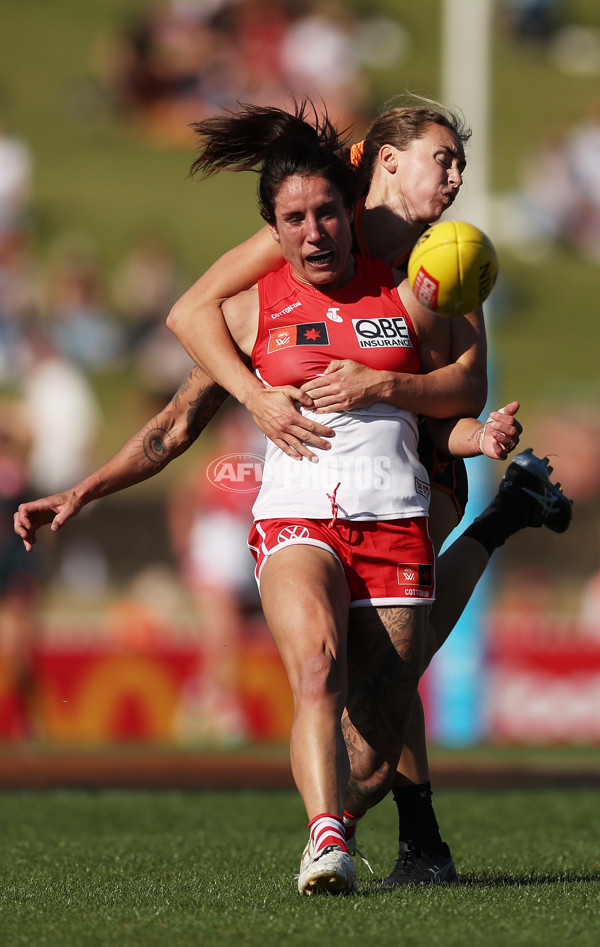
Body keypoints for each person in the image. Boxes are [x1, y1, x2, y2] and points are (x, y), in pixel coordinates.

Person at [14, 102, 525, 896]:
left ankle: (378, 814)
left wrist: (410, 397)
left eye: (460, 163)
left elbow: (468, 388)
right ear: (384, 162)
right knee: (318, 670)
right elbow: (184, 377)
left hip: (412, 481)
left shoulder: (438, 269)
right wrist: (88, 487)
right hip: (298, 516)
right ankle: (333, 839)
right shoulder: (297, 245)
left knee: (379, 731)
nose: (455, 178)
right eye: (442, 159)